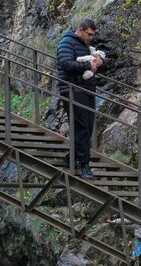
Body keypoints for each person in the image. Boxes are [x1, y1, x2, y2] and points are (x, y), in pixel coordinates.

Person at [56, 18, 104, 180]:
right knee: (82, 127)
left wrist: (99, 61)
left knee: (87, 128)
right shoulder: (67, 43)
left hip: (86, 90)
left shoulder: (84, 45)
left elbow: (94, 60)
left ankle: (70, 159)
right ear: (81, 30)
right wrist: (87, 66)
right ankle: (84, 166)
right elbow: (66, 63)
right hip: (73, 90)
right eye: (89, 34)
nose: (91, 37)